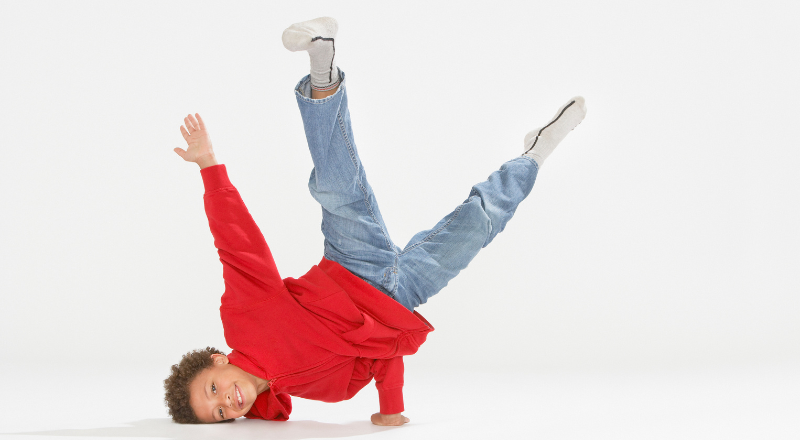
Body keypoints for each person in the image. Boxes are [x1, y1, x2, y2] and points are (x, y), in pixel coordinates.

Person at [164, 17, 587, 426]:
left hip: (355, 264)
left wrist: (208, 166)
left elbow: (238, 249)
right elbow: (382, 350)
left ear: (217, 360)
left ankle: (322, 67)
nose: (227, 401)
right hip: (402, 296)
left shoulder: (244, 321)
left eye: (213, 390)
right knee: (479, 225)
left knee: (337, 186)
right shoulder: (321, 390)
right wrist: (390, 406)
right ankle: (532, 156)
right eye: (219, 413)